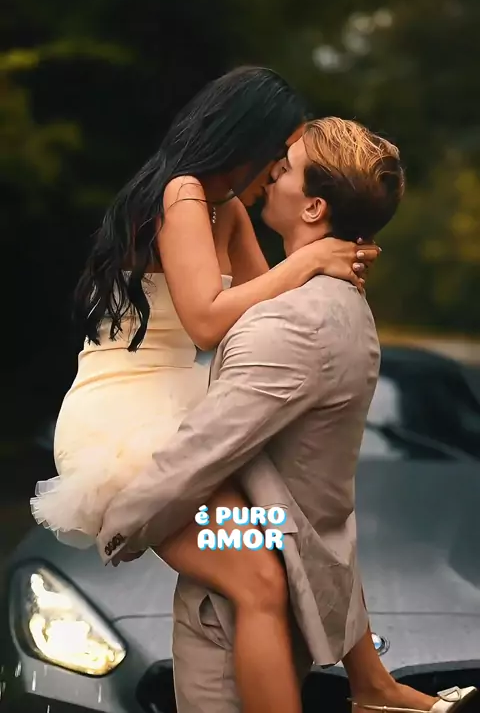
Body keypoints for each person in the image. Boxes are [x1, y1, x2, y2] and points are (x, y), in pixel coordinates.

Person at [96, 118, 478, 713]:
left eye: (287, 167)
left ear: (314, 206)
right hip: (290, 558)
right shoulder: (344, 302)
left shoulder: (290, 323)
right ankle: (378, 692)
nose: (271, 172)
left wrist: (115, 524)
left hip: (230, 623)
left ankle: (378, 691)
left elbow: (204, 449)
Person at [30, 69, 380, 713]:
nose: (277, 171)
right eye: (278, 153)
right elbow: (207, 321)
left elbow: (269, 309)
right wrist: (308, 259)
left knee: (289, 535)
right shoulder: (182, 194)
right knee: (258, 579)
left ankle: (374, 686)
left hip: (180, 403)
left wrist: (333, 270)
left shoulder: (227, 210)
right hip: (121, 420)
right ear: (249, 137)